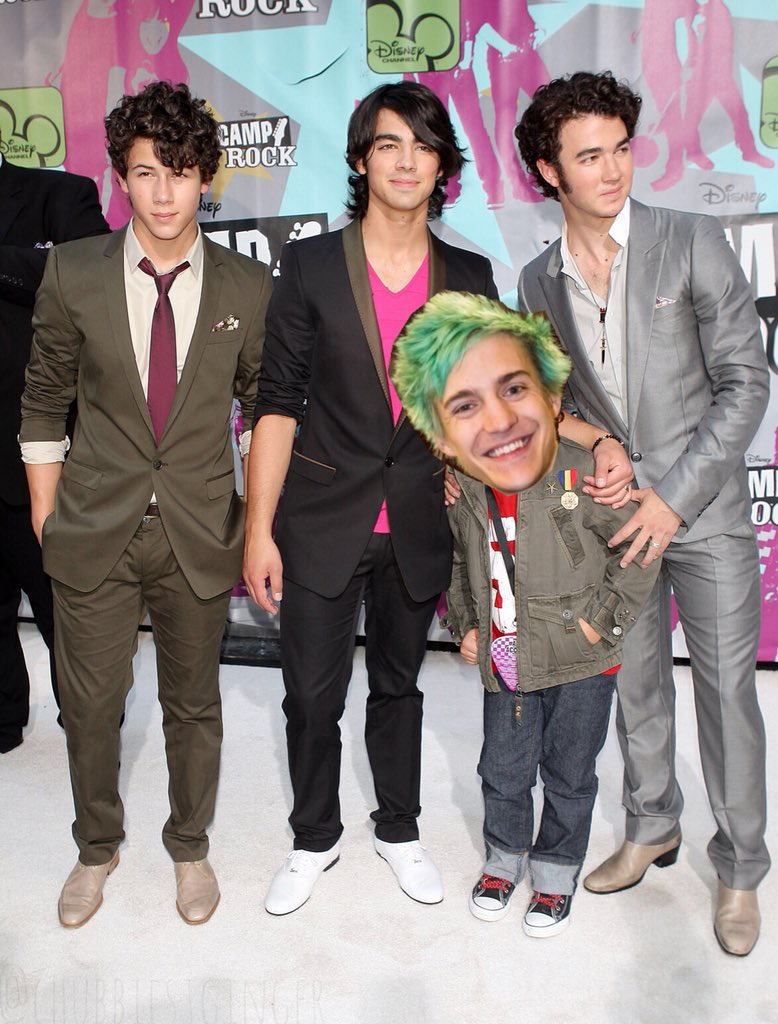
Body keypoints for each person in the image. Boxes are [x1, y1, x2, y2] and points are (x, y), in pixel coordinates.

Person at [515, 70, 770, 956]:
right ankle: (652, 824)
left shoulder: (690, 240)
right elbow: (546, 401)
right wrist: (596, 445)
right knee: (637, 688)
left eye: (621, 148)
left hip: (706, 515)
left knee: (727, 693)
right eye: (589, 156)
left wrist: (673, 496)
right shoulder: (537, 280)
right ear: (549, 172)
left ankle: (740, 868)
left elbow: (746, 383)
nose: (614, 169)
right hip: (614, 520)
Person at [242, 81, 500, 915]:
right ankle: (313, 836)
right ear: (361, 159)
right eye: (389, 144)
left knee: (399, 688)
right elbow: (277, 402)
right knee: (310, 697)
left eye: (423, 147)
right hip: (321, 519)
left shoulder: (470, 276)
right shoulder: (313, 265)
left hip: (419, 519)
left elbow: (483, 406)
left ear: (442, 167)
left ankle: (399, 827)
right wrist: (258, 530)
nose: (406, 161)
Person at [19, 81, 272, 928]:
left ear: (207, 176)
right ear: (121, 177)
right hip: (93, 526)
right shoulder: (74, 271)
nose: (164, 193)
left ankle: (190, 846)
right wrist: (46, 514)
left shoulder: (247, 286)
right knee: (90, 706)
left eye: (181, 171)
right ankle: (96, 847)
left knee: (192, 705)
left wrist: (259, 523)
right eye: (146, 172)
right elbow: (43, 400)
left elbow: (263, 413)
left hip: (199, 530)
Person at [390, 290, 660, 936]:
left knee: (569, 773)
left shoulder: (587, 474)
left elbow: (640, 550)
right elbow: (462, 561)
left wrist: (599, 624)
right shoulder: (467, 479)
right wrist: (467, 624)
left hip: (583, 661)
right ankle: (503, 860)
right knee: (503, 771)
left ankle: (556, 872)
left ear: (554, 401)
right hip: (507, 656)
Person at [0, 156, 109, 754]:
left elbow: (94, 274)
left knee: (67, 607)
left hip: (43, 452)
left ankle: (90, 726)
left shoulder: (60, 194)